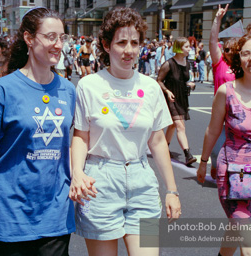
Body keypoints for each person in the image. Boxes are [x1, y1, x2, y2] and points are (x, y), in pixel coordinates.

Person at [69, 7, 181, 256]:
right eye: (121, 42)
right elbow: (80, 136)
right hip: (99, 183)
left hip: (142, 182)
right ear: (106, 45)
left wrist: (172, 191)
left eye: (134, 42)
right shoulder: (89, 85)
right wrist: (77, 172)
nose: (129, 50)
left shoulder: (151, 87)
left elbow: (158, 141)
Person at [0, 7, 76, 255]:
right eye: (51, 37)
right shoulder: (3, 89)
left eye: (62, 37)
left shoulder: (68, 91)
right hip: (9, 216)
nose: (58, 44)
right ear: (29, 38)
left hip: (55, 217)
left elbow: (69, 144)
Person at [197, 32, 251, 256]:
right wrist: (203, 162)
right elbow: (213, 129)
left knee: (239, 227)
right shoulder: (227, 91)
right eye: (246, 53)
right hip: (236, 173)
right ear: (239, 59)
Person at [157, 37, 197, 166]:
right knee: (180, 125)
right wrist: (167, 92)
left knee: (173, 125)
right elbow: (159, 80)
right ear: (179, 48)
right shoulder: (169, 64)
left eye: (189, 46)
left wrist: (189, 84)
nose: (189, 49)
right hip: (171, 97)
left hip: (182, 98)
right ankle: (188, 155)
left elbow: (183, 80)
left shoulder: (187, 63)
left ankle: (164, 147)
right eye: (186, 46)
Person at [209, 4, 237, 179]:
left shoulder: (244, 67)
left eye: (232, 50)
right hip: (221, 112)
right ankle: (213, 165)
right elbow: (212, 41)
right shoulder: (220, 63)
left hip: (238, 113)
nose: (228, 52)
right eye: (226, 49)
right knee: (215, 149)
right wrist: (217, 19)